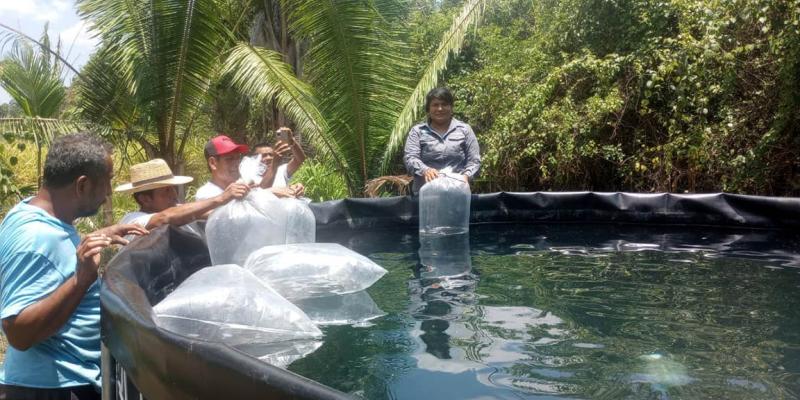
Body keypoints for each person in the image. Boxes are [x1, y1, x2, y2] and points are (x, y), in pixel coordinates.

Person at [0, 133, 147, 399]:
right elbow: (18, 333)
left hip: (58, 383)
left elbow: (52, 261)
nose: (109, 192)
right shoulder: (37, 238)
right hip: (51, 388)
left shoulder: (28, 212)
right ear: (82, 185)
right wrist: (81, 280)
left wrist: (100, 234)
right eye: (107, 181)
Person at [115, 158, 249, 232]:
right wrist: (221, 198)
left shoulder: (179, 210)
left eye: (173, 188)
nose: (174, 194)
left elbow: (212, 214)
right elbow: (164, 218)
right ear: (145, 199)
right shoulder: (132, 221)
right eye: (166, 191)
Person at [403, 87, 481, 194]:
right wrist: (425, 170)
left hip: (457, 192)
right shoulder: (417, 131)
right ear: (428, 109)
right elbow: (410, 158)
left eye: (444, 104)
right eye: (435, 105)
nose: (440, 109)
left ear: (451, 107)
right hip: (425, 195)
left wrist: (466, 176)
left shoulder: (464, 130)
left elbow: (474, 160)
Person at [195, 134, 302, 201]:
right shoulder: (206, 194)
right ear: (213, 163)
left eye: (237, 158)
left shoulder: (243, 183)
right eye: (229, 159)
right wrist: (269, 193)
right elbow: (232, 214)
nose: (236, 163)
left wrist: (291, 189)